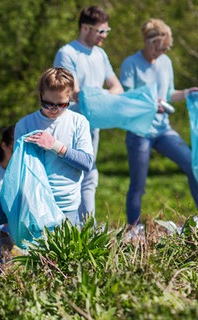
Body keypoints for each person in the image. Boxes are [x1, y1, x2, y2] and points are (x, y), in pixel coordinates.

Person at [0, 67, 94, 260]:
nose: (54, 110)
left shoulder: (78, 123)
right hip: (30, 202)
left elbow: (87, 162)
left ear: (70, 98)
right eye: (48, 104)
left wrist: (56, 146)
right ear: (40, 95)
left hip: (63, 205)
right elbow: (18, 169)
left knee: (59, 262)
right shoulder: (25, 124)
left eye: (61, 105)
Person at [119, 18, 198, 233]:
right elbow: (125, 100)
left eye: (164, 49)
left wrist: (189, 93)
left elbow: (169, 94)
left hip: (163, 130)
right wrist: (149, 105)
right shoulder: (131, 64)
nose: (160, 53)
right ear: (148, 41)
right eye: (158, 48)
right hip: (139, 131)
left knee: (192, 166)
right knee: (138, 184)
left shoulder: (166, 63)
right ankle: (134, 228)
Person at [53, 5, 123, 220]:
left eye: (107, 32)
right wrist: (101, 95)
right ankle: (65, 228)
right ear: (85, 28)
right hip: (71, 125)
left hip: (93, 125)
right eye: (101, 31)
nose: (104, 36)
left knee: (90, 175)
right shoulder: (67, 53)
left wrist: (98, 96)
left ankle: (87, 229)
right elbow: (72, 92)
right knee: (69, 175)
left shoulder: (100, 55)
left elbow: (117, 87)